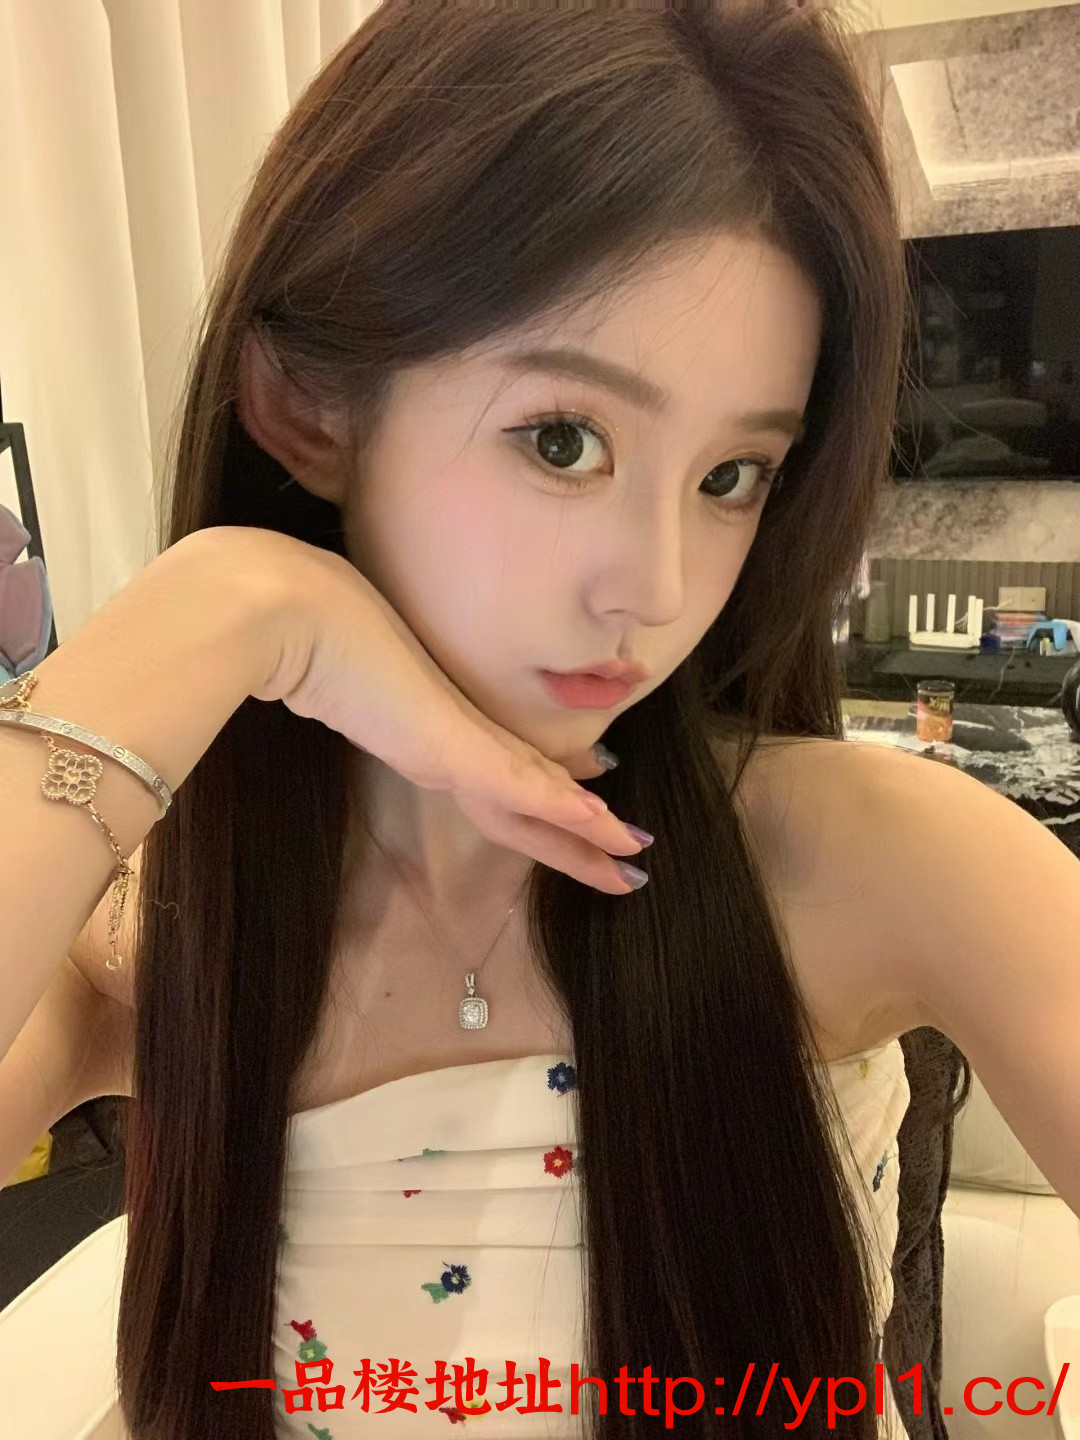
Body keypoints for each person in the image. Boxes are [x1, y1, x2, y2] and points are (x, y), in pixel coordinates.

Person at [1, 3, 1077, 1438]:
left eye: (732, 476)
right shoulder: (178, 922)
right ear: (307, 405)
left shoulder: (880, 860)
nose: (658, 587)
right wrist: (220, 607)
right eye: (565, 441)